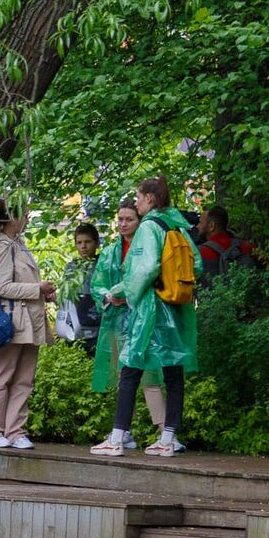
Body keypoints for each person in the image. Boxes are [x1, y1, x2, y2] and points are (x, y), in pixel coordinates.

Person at [92, 176, 200, 458]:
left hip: (150, 310)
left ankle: (116, 438)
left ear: (150, 198)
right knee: (173, 372)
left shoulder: (149, 227)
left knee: (130, 368)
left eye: (138, 197)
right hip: (175, 308)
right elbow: (196, 262)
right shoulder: (176, 224)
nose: (137, 202)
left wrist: (119, 292)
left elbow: (144, 269)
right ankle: (169, 438)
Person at [0, 199, 54, 450]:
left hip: (29, 319)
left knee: (24, 378)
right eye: (23, 215)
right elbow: (3, 287)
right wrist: (36, 289)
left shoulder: (19, 245)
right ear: (10, 218)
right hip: (10, 320)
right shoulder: (2, 247)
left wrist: (43, 292)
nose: (26, 219)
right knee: (2, 375)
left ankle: (15, 431)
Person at [90, 202, 166, 448]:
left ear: (139, 221)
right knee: (125, 376)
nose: (123, 224)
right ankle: (125, 432)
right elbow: (97, 283)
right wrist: (109, 295)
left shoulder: (147, 247)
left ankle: (165, 431)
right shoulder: (111, 251)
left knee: (149, 375)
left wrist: (128, 294)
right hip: (116, 320)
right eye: (120, 219)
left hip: (143, 318)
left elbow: (150, 277)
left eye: (129, 219)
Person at [57, 222, 102, 352]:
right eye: (79, 242)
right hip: (76, 325)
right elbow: (65, 299)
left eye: (88, 242)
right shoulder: (71, 267)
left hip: (98, 325)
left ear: (97, 243)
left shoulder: (103, 265)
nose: (83, 246)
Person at [194, 204, 260, 283]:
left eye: (200, 222)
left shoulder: (198, 254)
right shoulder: (247, 247)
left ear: (211, 226)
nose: (197, 226)